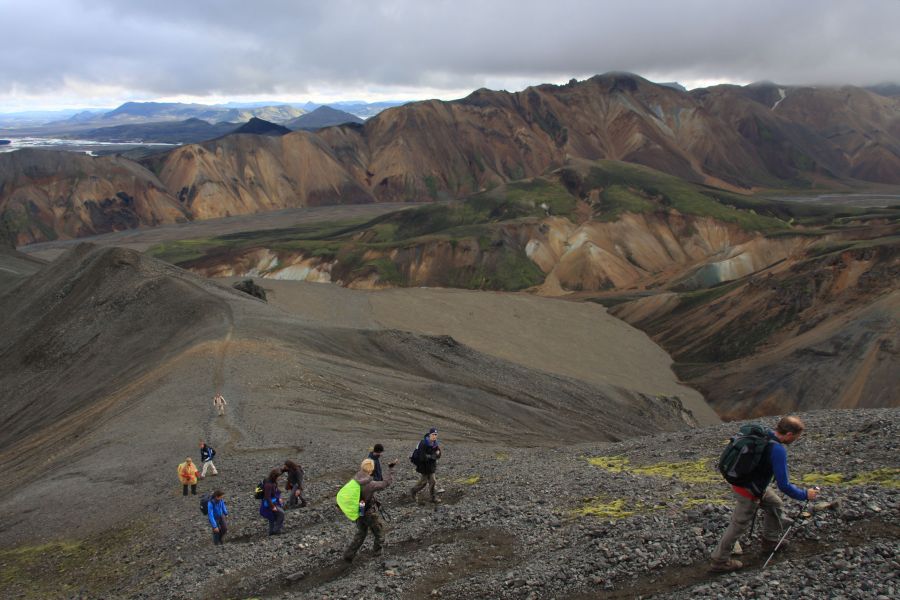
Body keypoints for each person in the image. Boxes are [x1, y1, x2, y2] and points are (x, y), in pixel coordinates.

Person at [710, 416, 819, 572]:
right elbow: (784, 485)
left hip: (748, 483)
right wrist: (805, 494)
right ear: (788, 434)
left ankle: (770, 541)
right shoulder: (777, 450)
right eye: (796, 436)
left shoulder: (765, 434)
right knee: (738, 525)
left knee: (775, 504)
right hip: (749, 490)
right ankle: (719, 561)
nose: (796, 439)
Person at [343, 457, 397, 562]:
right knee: (380, 532)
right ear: (371, 470)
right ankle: (377, 553)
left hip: (359, 510)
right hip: (368, 512)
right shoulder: (370, 484)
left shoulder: (355, 479)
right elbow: (385, 483)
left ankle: (349, 555)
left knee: (361, 532)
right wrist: (391, 469)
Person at [410, 427, 442, 504]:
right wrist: (434, 455)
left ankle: (433, 497)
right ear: (429, 434)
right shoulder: (423, 443)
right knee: (423, 482)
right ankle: (413, 491)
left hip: (431, 466)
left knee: (433, 481)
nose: (434, 436)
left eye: (436, 434)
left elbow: (438, 454)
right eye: (433, 434)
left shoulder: (435, 443)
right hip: (423, 466)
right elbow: (423, 457)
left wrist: (435, 455)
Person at [259, 468, 285, 535]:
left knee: (273, 517)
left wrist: (279, 498)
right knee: (281, 513)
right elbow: (267, 497)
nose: (280, 478)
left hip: (273, 501)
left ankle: (272, 532)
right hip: (269, 504)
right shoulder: (268, 484)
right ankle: (276, 530)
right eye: (279, 476)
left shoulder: (272, 482)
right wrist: (273, 506)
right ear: (275, 476)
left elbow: (275, 492)